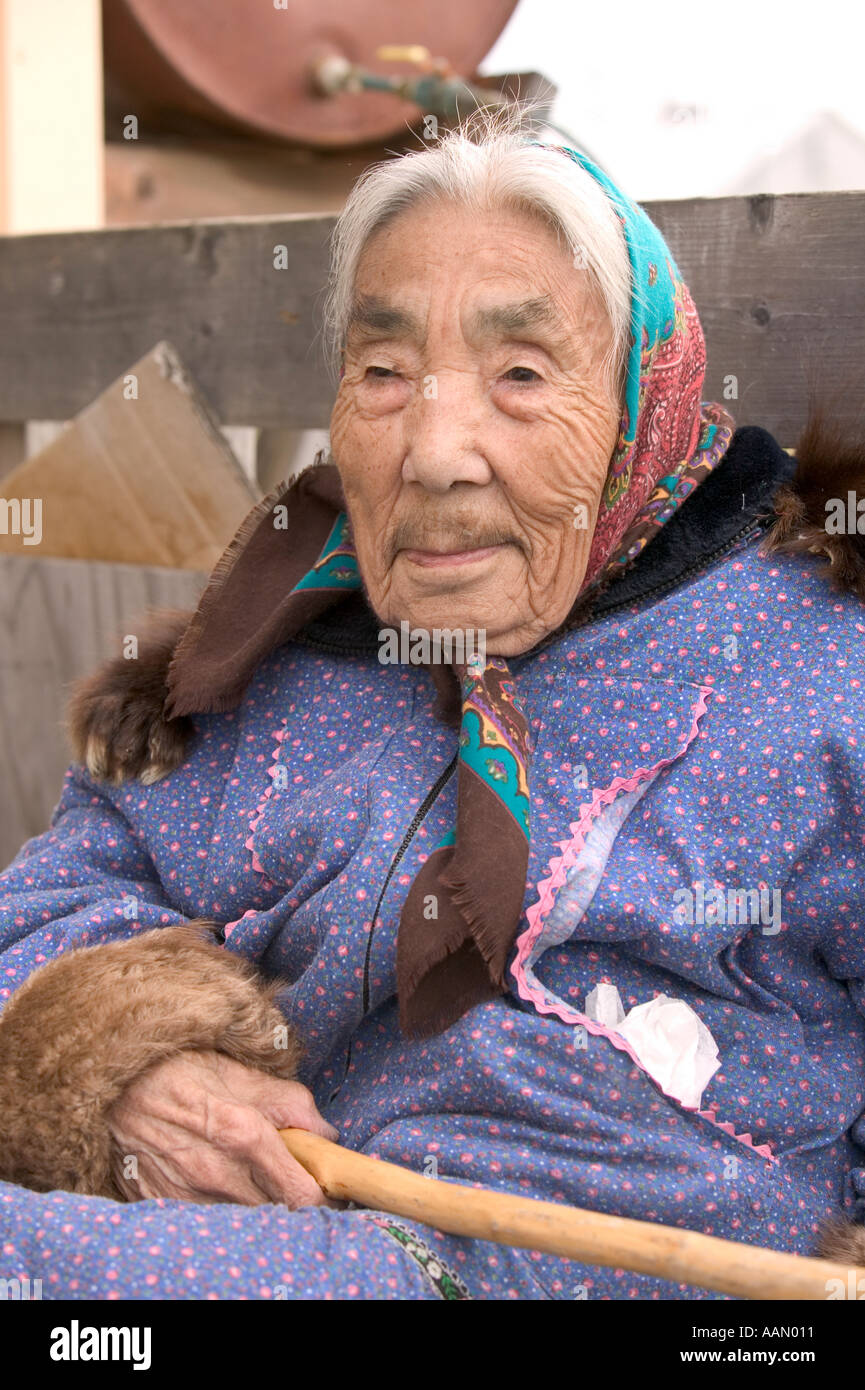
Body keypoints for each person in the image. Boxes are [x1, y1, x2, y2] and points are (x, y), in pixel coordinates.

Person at [1, 113, 863, 1300]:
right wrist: (118, 1059)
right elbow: (65, 886)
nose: (437, 448)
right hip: (286, 1232)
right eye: (385, 372)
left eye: (520, 373)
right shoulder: (286, 648)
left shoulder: (815, 667)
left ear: (640, 402)